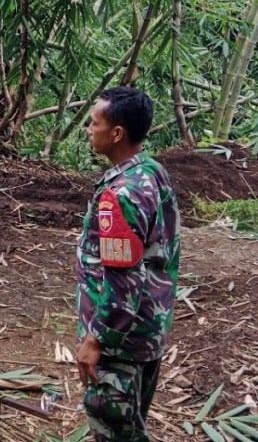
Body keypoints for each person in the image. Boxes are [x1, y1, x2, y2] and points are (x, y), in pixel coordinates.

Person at [76, 86, 181, 441]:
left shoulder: (122, 193)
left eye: (94, 123)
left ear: (117, 132)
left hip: (120, 342)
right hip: (148, 328)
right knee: (131, 424)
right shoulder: (153, 172)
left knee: (117, 431)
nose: (89, 130)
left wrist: (97, 339)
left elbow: (123, 278)